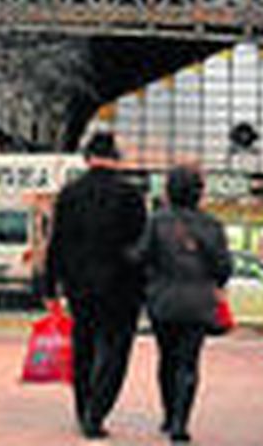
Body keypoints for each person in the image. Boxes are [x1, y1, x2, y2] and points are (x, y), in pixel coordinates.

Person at [44, 131, 148, 439]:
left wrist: (49, 288)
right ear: (116, 159)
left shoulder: (69, 194)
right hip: (122, 287)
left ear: (87, 158)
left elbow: (56, 243)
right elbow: (141, 247)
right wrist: (144, 285)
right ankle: (97, 411)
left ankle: (83, 407)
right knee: (116, 350)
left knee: (84, 347)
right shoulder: (131, 196)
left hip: (79, 287)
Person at [136, 165, 232, 444]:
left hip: (163, 301)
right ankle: (181, 423)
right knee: (188, 362)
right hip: (198, 303)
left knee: (167, 359)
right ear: (199, 193)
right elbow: (224, 267)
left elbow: (141, 256)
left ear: (169, 191)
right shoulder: (212, 225)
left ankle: (168, 415)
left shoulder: (157, 221)